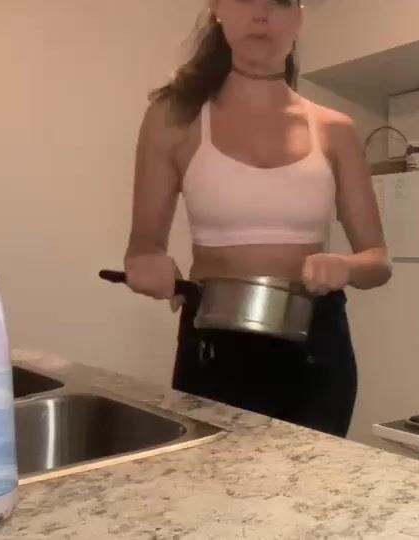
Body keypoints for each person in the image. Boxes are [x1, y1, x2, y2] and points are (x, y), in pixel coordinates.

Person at [122, 0, 391, 438]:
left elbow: (378, 261)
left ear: (298, 17)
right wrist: (146, 263)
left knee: (311, 480)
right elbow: (143, 249)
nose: (261, 13)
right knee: (218, 479)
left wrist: (344, 266)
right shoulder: (173, 118)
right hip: (215, 343)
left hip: (316, 347)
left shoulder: (335, 129)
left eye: (279, 1)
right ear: (218, 8)